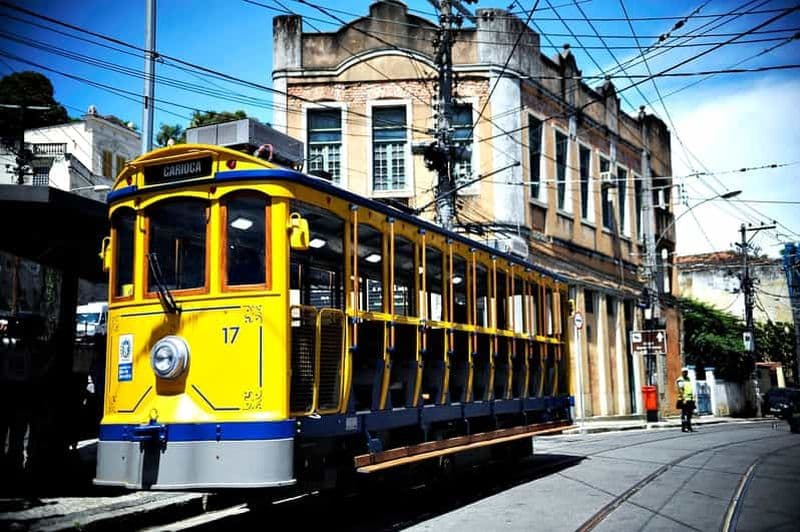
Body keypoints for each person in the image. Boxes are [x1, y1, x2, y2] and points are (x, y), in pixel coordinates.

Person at [676, 367, 696, 432]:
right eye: (684, 372)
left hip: (690, 399)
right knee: (684, 413)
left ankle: (689, 426)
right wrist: (683, 399)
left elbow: (690, 389)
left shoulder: (688, 379)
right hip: (683, 399)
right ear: (682, 372)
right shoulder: (680, 380)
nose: (685, 373)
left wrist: (693, 398)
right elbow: (681, 390)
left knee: (689, 414)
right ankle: (684, 427)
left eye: (686, 372)